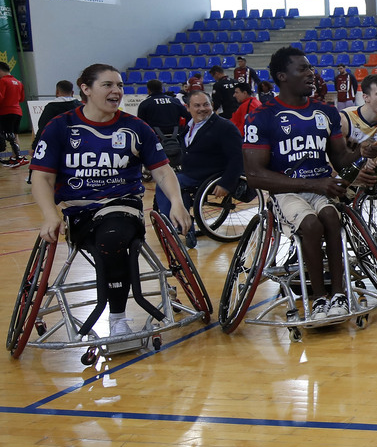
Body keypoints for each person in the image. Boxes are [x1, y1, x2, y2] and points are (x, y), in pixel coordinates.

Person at [31, 63, 191, 338]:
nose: (116, 91)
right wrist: (49, 214)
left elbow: (162, 171)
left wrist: (176, 201)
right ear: (86, 89)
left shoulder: (135, 128)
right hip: (78, 210)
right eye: (108, 85)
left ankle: (117, 318)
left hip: (122, 205)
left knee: (113, 237)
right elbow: (41, 178)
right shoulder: (61, 127)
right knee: (105, 239)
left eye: (119, 85)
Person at [243, 47, 376, 321]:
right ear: (282, 76)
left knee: (330, 216)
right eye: (302, 69)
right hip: (285, 192)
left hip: (320, 188)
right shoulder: (262, 116)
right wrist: (316, 185)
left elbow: (340, 160)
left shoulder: (325, 113)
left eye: (310, 68)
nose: (311, 73)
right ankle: (318, 299)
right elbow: (255, 175)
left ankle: (338, 294)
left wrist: (361, 156)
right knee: (312, 225)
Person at [158, 90, 244, 247]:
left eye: (206, 104)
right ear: (188, 107)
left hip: (210, 175)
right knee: (177, 186)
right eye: (197, 105)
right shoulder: (190, 126)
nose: (202, 108)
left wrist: (226, 182)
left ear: (212, 105)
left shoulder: (224, 127)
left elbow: (238, 157)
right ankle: (185, 226)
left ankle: (171, 225)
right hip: (191, 173)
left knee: (165, 183)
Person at [26, 80, 80, 183]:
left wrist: (35, 146)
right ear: (73, 93)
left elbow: (42, 128)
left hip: (55, 144)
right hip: (75, 143)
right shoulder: (79, 106)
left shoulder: (51, 108)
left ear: (57, 92)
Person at [135, 78, 189, 147]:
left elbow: (141, 124)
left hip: (154, 140)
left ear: (148, 90)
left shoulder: (145, 104)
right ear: (162, 89)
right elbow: (188, 115)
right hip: (177, 138)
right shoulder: (175, 101)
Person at [0, 61, 26, 166]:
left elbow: (0, 97)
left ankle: (15, 157)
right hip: (17, 111)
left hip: (6, 111)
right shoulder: (18, 82)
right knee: (14, 135)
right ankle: (16, 156)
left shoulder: (2, 81)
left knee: (5, 135)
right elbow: (21, 98)